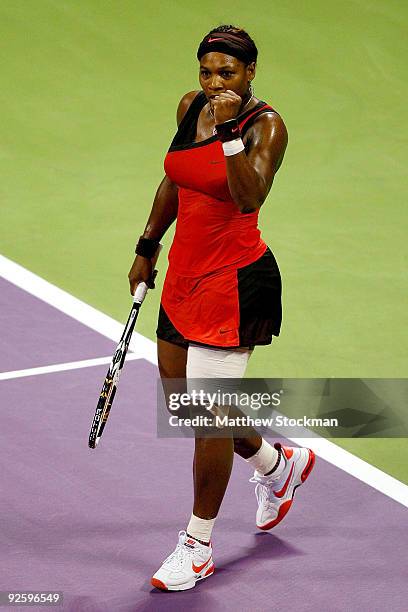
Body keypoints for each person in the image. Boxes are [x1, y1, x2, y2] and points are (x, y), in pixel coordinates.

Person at [128, 25, 315, 592]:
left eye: (226, 73)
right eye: (206, 72)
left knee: (209, 417)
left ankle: (198, 543)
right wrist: (146, 245)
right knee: (185, 409)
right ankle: (276, 467)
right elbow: (174, 178)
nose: (214, 84)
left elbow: (248, 193)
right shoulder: (191, 108)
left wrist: (232, 131)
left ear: (251, 72)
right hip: (184, 276)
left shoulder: (267, 126)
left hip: (235, 284)